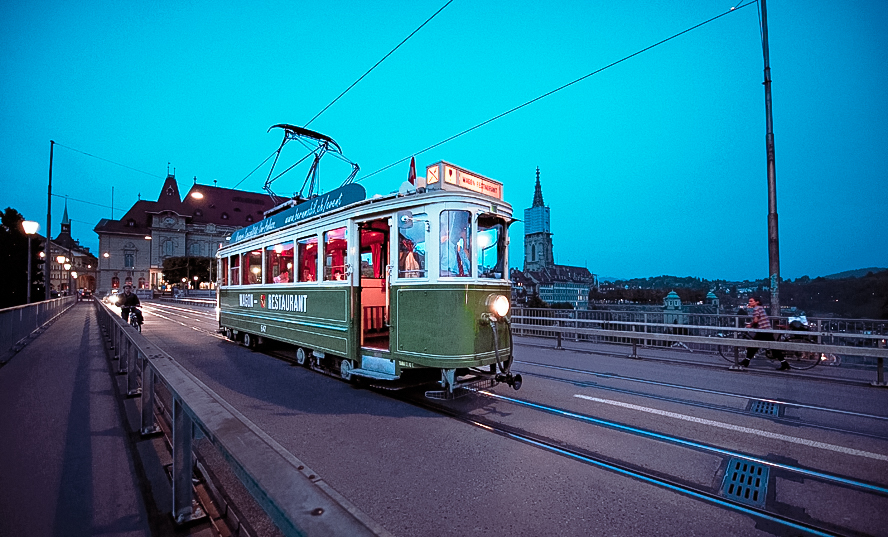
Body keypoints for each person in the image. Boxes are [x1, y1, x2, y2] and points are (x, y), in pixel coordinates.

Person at [743, 297, 788, 370]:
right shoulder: (761, 308)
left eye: (751, 301)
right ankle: (746, 361)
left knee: (753, 346)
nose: (750, 303)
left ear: (757, 302)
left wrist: (750, 325)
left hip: (763, 331)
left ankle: (746, 361)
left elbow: (755, 321)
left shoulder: (756, 309)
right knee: (758, 347)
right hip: (766, 330)